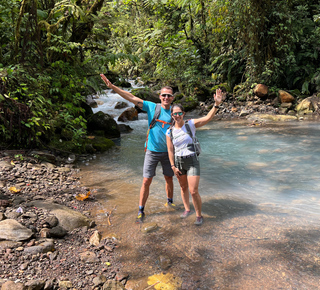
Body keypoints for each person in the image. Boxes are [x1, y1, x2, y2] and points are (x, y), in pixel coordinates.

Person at [100, 74, 175, 223]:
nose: (166, 97)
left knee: (169, 178)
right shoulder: (152, 107)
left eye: (169, 96)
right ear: (160, 96)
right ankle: (141, 210)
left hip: (169, 152)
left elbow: (188, 127)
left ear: (172, 98)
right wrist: (112, 87)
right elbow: (131, 97)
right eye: (164, 95)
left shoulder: (175, 112)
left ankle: (170, 202)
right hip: (152, 151)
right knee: (146, 181)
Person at [166, 89, 225, 225]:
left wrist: (216, 105)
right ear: (172, 115)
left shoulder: (190, 124)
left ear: (183, 114)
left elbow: (207, 118)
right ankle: (188, 209)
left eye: (179, 113)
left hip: (192, 161)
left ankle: (199, 215)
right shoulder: (169, 132)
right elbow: (170, 151)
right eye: (174, 114)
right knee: (183, 188)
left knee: (193, 191)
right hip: (178, 163)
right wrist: (173, 166)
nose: (177, 116)